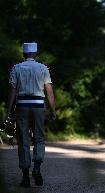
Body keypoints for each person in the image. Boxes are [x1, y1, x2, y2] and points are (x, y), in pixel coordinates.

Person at [6, 42, 56, 188]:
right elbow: (49, 91)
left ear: (24, 53)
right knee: (39, 138)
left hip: (21, 105)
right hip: (38, 106)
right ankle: (37, 168)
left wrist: (8, 111)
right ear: (35, 53)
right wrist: (53, 110)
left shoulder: (16, 68)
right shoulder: (42, 68)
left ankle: (25, 176)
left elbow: (12, 92)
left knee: (23, 140)